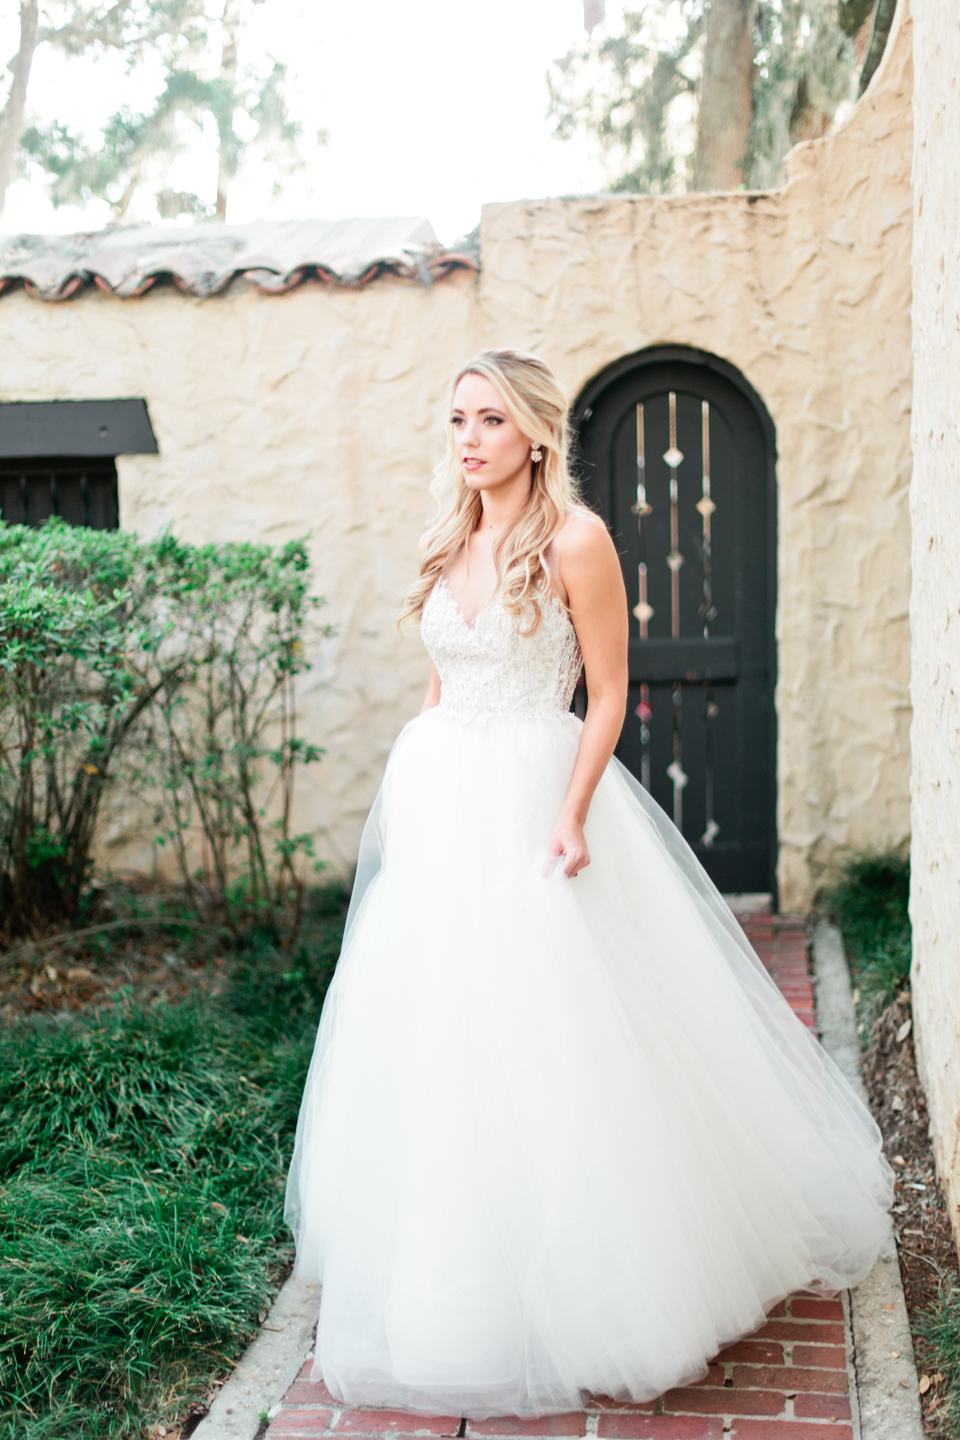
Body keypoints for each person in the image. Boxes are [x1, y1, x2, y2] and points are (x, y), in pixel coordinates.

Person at [284, 348, 892, 1420]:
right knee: (442, 1042)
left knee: (557, 1035)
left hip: (535, 795)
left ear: (535, 435)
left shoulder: (576, 539)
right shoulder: (450, 540)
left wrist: (567, 815)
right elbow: (440, 686)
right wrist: (416, 803)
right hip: (444, 805)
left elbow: (607, 694)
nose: (468, 439)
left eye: (488, 420)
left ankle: (602, 1272)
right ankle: (455, 1270)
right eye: (457, 419)